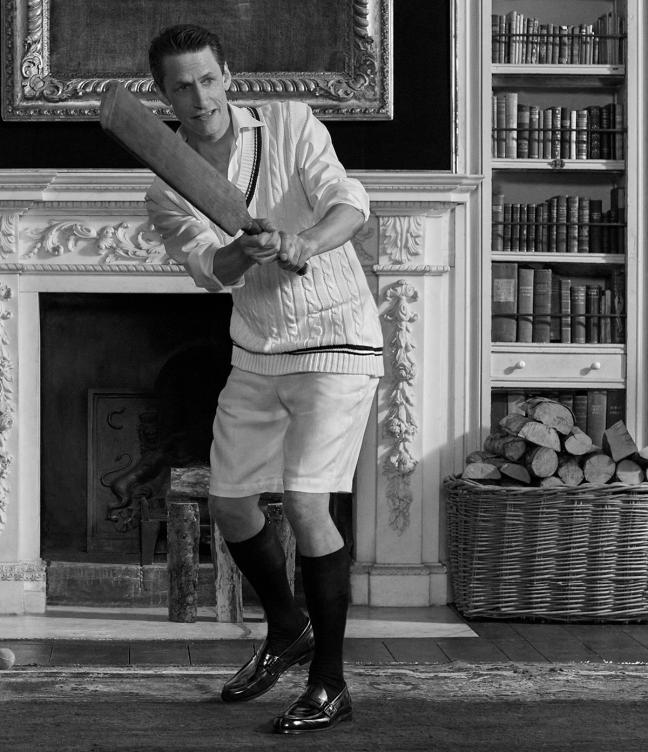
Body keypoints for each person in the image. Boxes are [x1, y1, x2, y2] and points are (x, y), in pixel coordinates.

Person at [145, 24, 383, 734]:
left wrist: (305, 240)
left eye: (208, 79)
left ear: (228, 76)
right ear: (163, 96)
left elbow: (349, 201)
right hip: (256, 349)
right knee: (229, 504)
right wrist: (243, 254)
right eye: (182, 87)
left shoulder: (288, 123)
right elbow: (208, 270)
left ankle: (330, 683)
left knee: (307, 502)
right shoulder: (166, 183)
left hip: (337, 340)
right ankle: (287, 625)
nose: (200, 97)